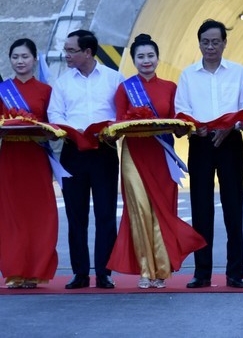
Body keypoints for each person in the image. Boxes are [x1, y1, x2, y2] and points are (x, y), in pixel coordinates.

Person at [107, 34, 206, 289]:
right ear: (134, 60)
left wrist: (188, 127)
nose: (146, 61)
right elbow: (117, 124)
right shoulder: (125, 88)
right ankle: (144, 269)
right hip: (134, 156)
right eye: (141, 56)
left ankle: (161, 271)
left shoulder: (170, 88)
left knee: (163, 212)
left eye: (151, 55)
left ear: (158, 58)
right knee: (139, 212)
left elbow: (179, 125)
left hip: (162, 156)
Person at [175, 19, 243, 289]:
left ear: (224, 43)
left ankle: (234, 274)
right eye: (205, 42)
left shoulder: (238, 72)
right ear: (199, 44)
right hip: (201, 142)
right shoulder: (188, 75)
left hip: (230, 142)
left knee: (233, 209)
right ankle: (202, 273)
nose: (210, 47)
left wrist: (230, 127)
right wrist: (195, 130)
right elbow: (181, 109)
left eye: (215, 42)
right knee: (201, 209)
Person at [48, 29, 124, 289]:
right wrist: (72, 130)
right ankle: (80, 272)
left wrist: (113, 131)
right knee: (75, 215)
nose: (66, 55)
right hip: (73, 152)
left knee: (105, 214)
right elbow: (54, 114)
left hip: (104, 150)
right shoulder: (62, 82)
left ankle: (104, 272)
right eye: (66, 50)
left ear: (88, 52)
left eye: (71, 50)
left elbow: (122, 114)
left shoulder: (114, 79)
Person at [0, 39, 58, 289]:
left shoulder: (46, 91)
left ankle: (36, 270)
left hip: (36, 157)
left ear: (35, 59)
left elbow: (54, 124)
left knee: (39, 215)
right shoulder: (3, 89)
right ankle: (15, 270)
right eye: (15, 57)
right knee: (11, 216)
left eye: (25, 56)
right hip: (11, 157)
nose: (20, 61)